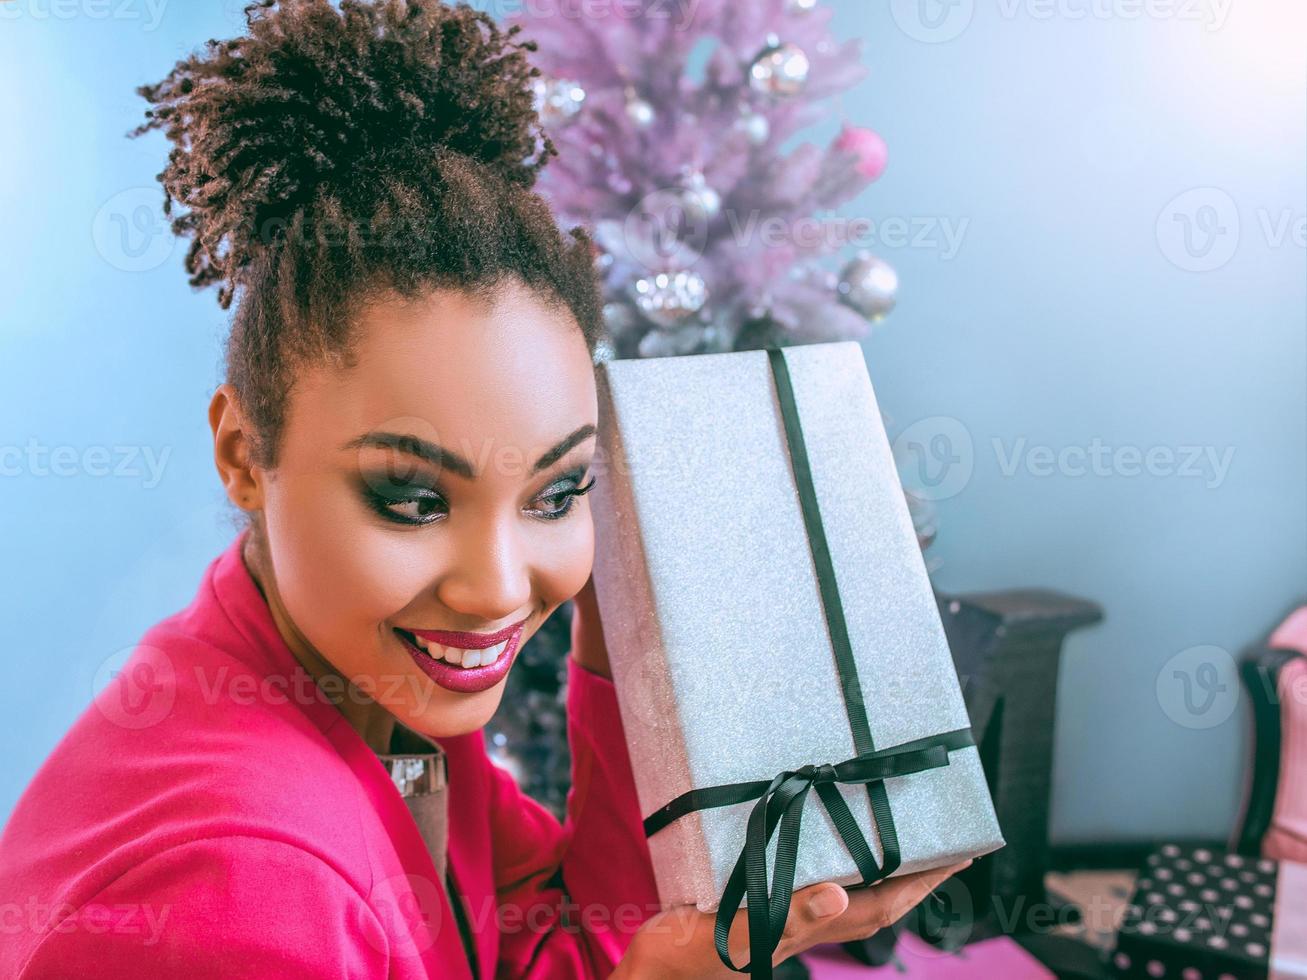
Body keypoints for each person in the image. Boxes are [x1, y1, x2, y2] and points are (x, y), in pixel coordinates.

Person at [0, 2, 964, 976]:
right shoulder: (243, 899)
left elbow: (559, 939)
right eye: (412, 498)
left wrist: (622, 644)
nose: (498, 588)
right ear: (246, 453)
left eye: (555, 492)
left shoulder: (355, 678)